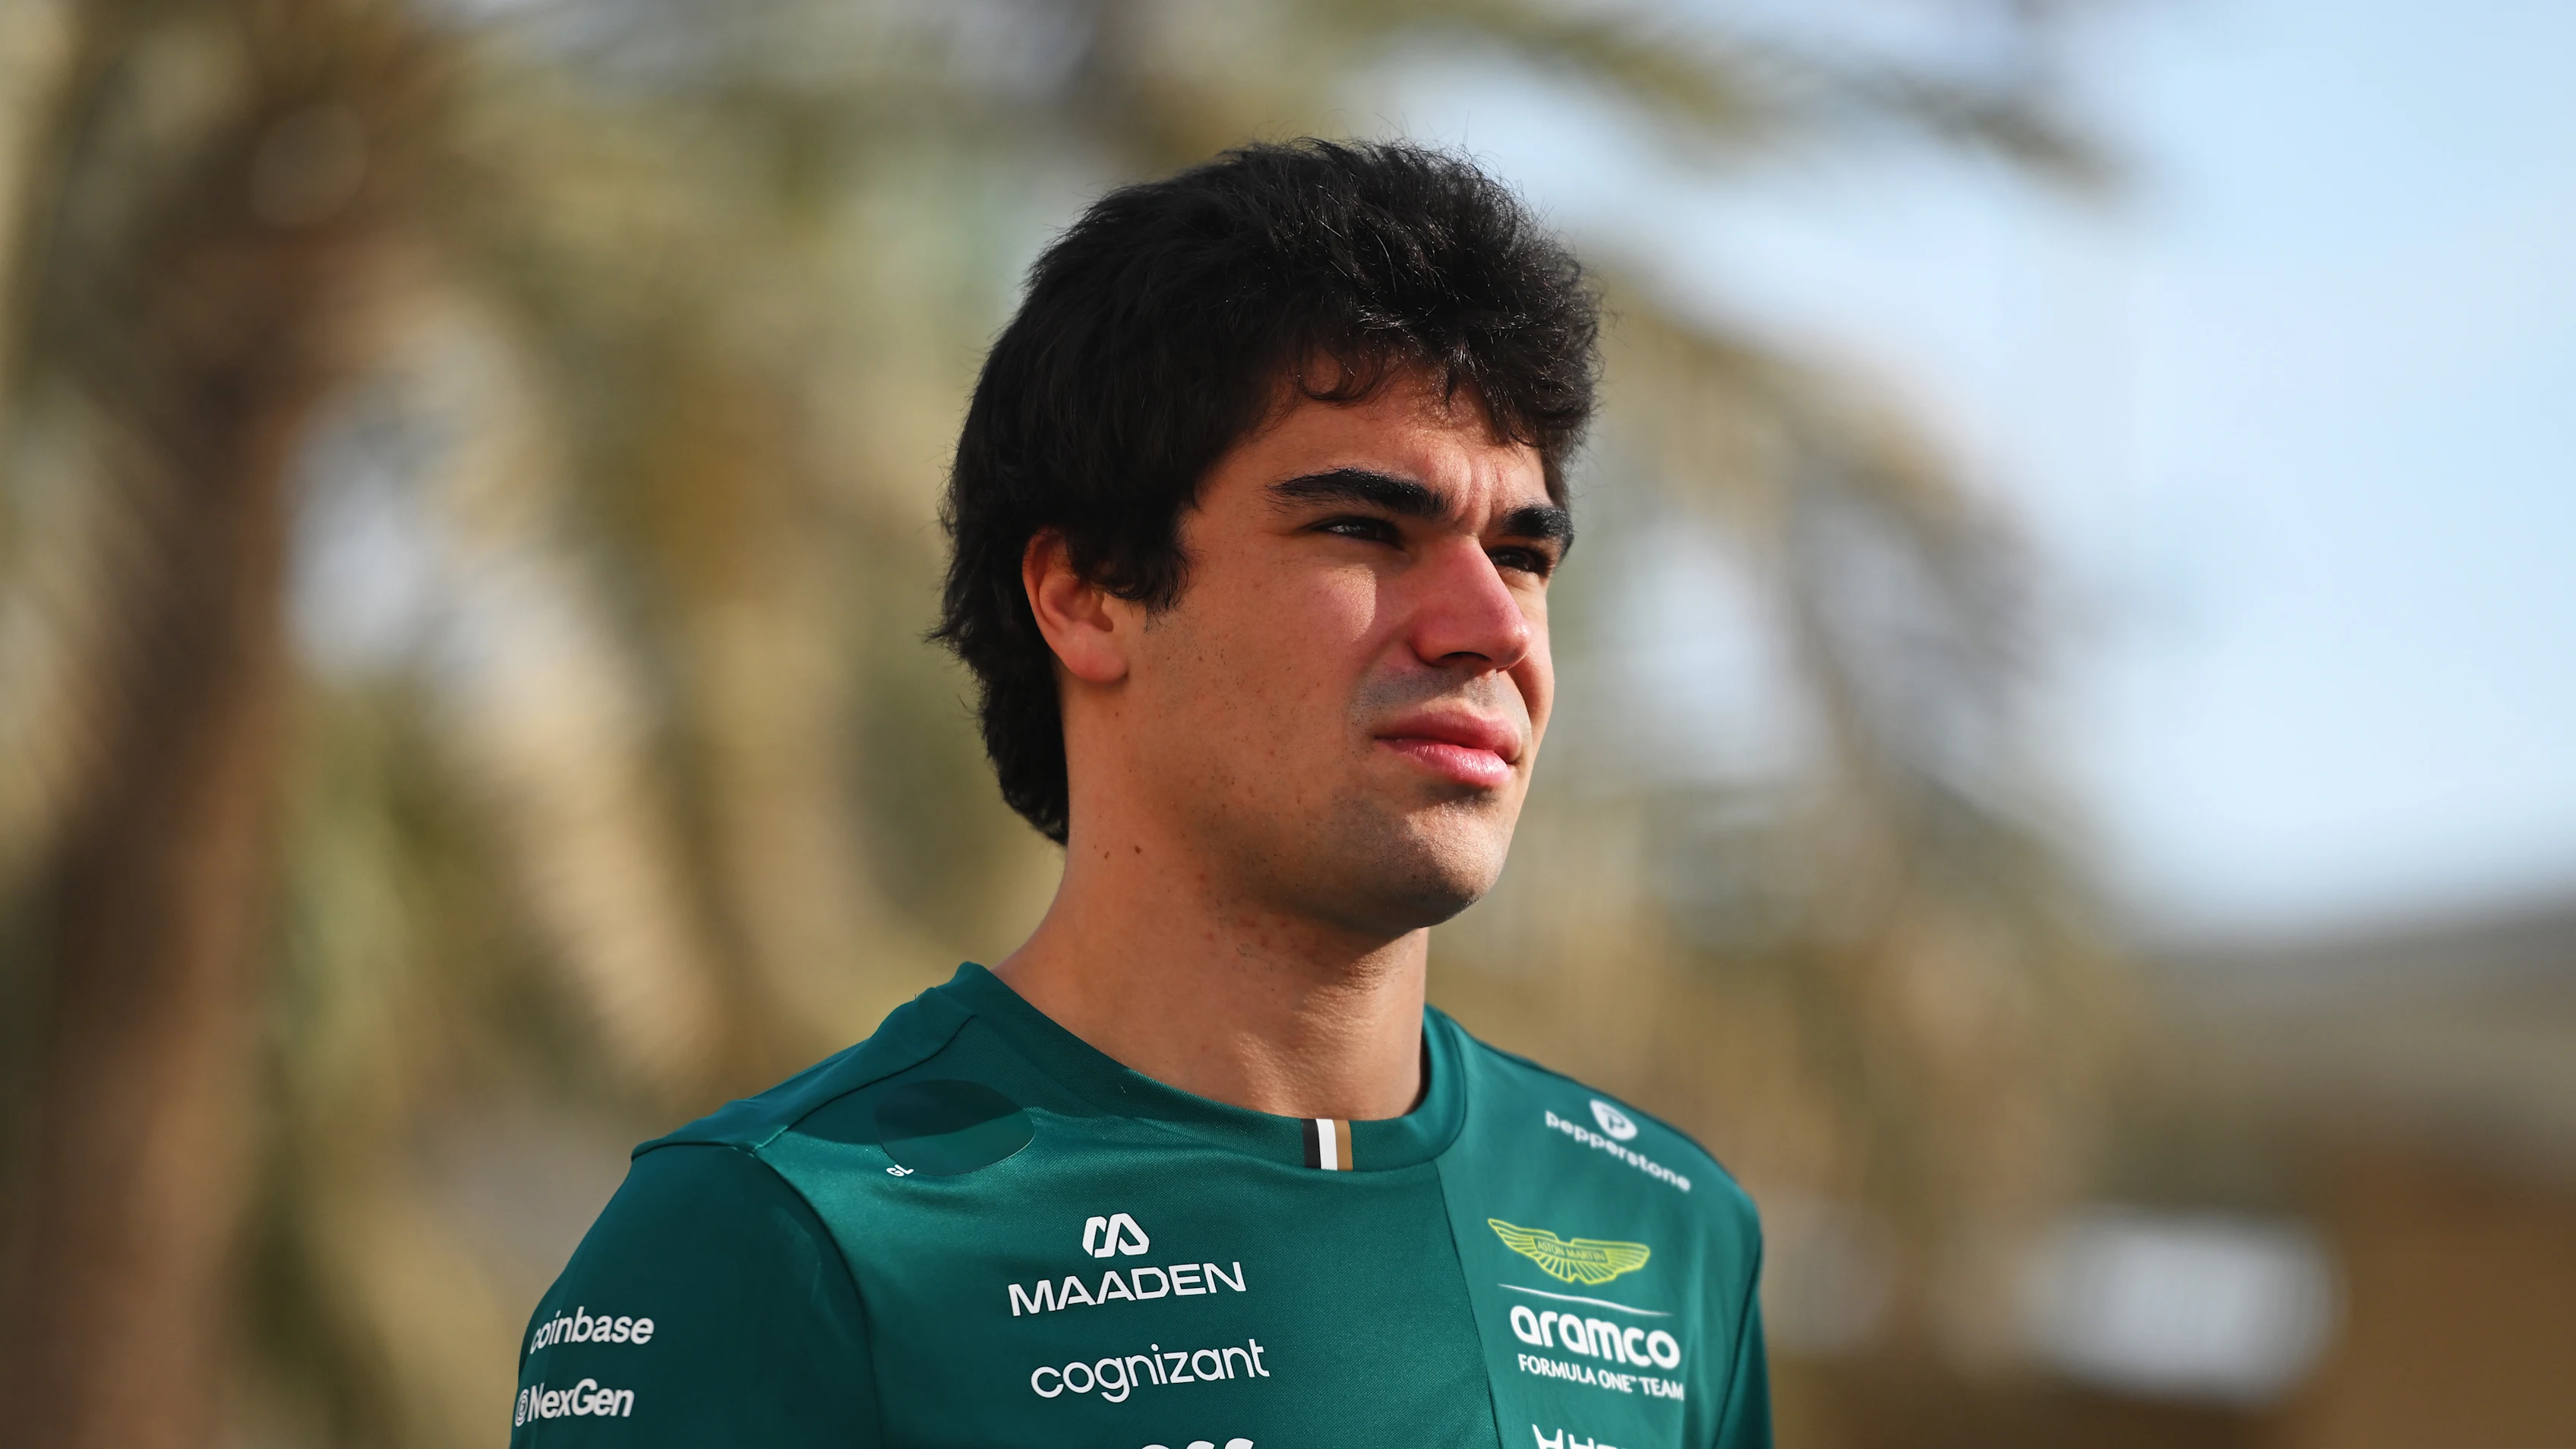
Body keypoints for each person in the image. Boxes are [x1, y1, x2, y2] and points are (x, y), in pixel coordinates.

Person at [509, 138, 1768, 1449]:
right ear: (1087, 595)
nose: (1489, 626)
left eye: (1521, 555)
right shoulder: (768, 1240)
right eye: (1362, 529)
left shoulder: (1667, 1230)